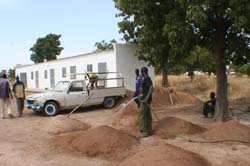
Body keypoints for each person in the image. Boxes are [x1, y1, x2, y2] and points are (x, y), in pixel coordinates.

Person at [138, 67, 154, 138]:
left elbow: (151, 87)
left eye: (141, 72)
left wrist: (146, 98)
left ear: (143, 72)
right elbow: (146, 88)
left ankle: (144, 132)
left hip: (145, 101)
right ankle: (149, 130)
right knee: (147, 115)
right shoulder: (146, 79)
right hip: (146, 100)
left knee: (142, 115)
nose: (141, 73)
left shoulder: (147, 78)